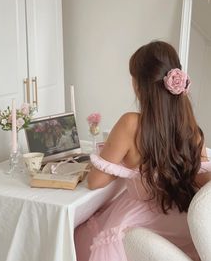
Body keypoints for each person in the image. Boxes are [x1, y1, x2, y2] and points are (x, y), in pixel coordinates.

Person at [74, 41, 211, 261]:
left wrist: (115, 163)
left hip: (140, 221)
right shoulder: (192, 129)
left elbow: (95, 182)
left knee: (81, 233)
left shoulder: (131, 124)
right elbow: (205, 187)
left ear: (141, 85)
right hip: (182, 226)